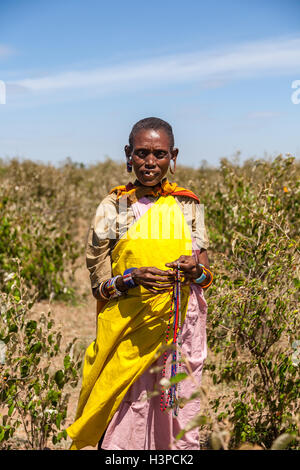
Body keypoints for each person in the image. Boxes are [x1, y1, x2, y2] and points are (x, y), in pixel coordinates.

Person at [66, 117, 213, 450]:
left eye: (159, 154)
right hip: (131, 332)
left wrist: (194, 271)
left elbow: (207, 275)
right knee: (129, 410)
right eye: (142, 153)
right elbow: (99, 285)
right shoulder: (113, 207)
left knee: (177, 412)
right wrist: (132, 279)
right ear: (128, 154)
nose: (150, 162)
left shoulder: (188, 204)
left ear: (173, 156)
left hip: (180, 330)